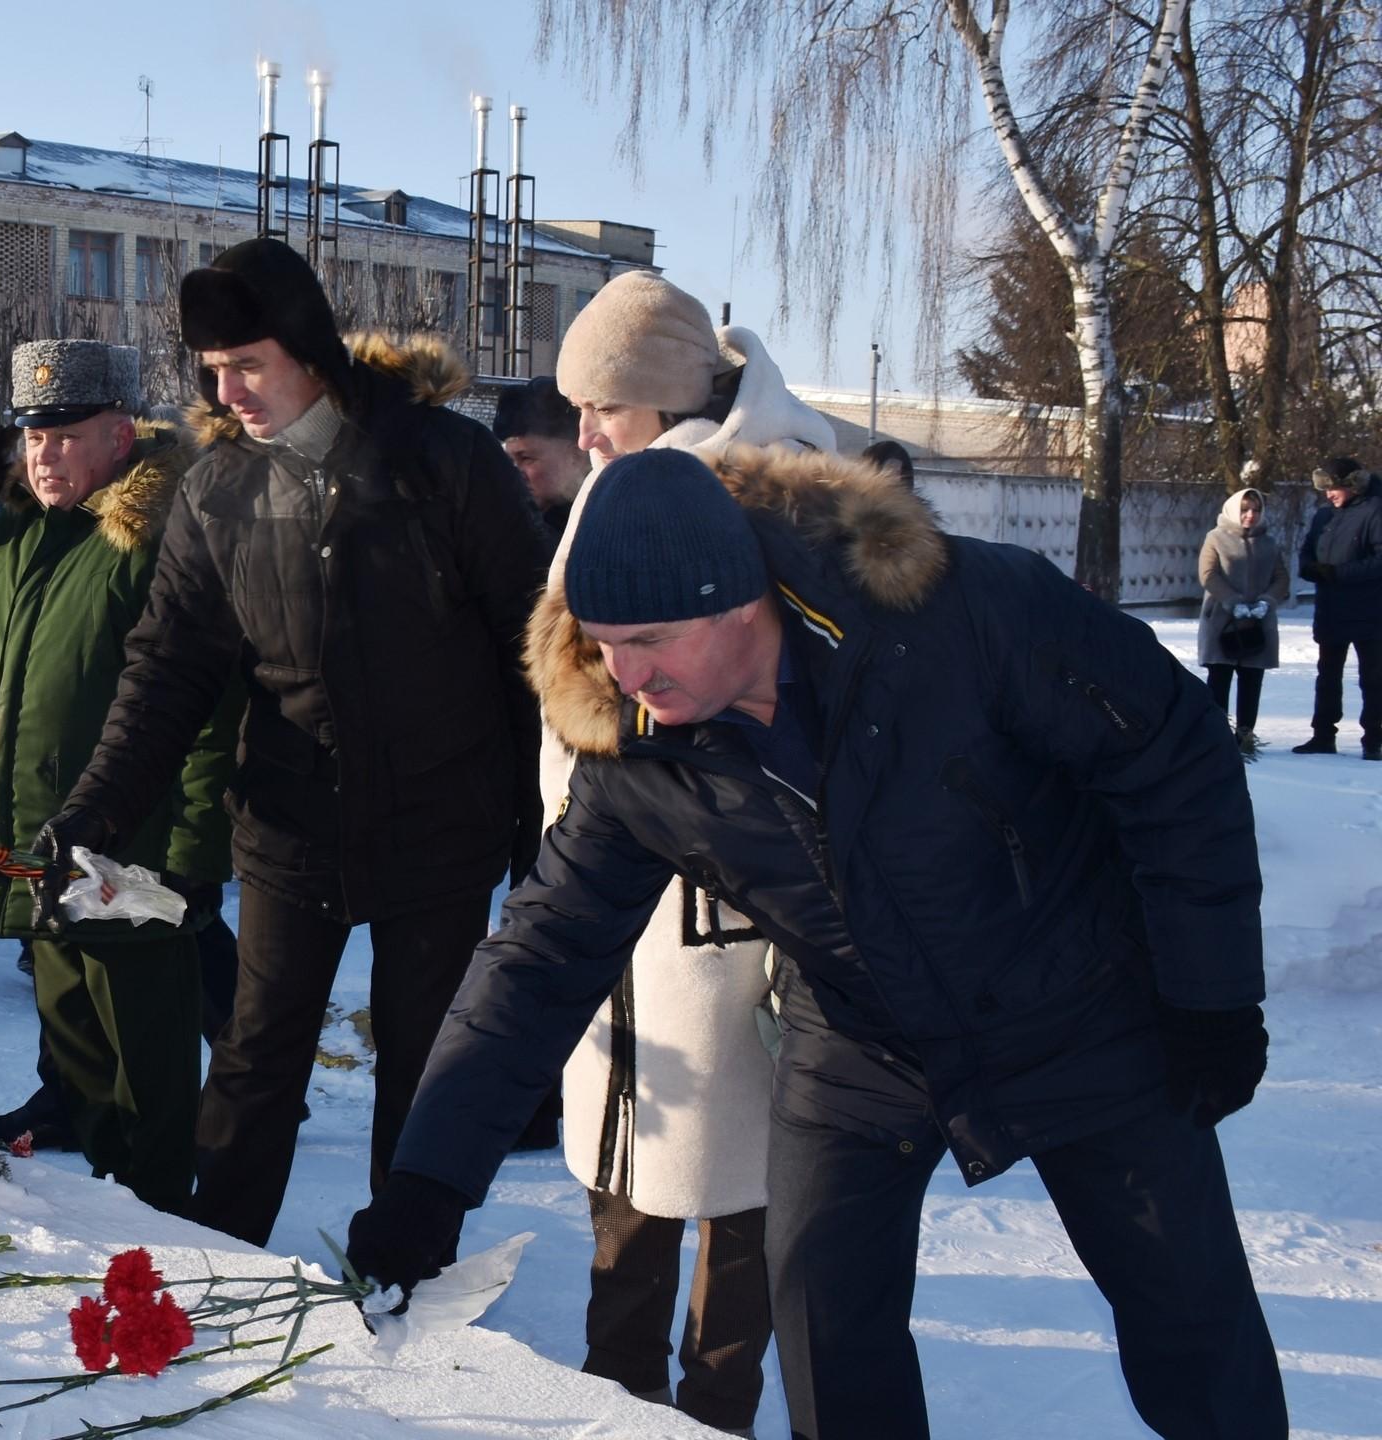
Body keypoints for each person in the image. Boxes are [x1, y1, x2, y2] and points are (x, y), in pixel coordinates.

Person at [351, 444, 1284, 1439]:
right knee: (825, 1328)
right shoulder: (635, 758)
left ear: (741, 600)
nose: (625, 674)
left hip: (1076, 1004)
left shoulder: (957, 615)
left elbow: (1172, 753)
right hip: (857, 1039)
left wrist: (1210, 992)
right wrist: (430, 1180)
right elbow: (538, 956)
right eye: (604, 641)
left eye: (652, 639)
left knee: (1190, 1327)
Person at [37, 238, 551, 1247]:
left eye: (248, 365)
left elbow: (531, 644)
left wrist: (538, 830)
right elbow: (167, 671)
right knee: (254, 1054)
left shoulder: (440, 461)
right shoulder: (217, 490)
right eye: (214, 371)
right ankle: (223, 1262)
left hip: (440, 823)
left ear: (308, 349)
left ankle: (403, 1269)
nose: (228, 392)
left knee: (422, 1063)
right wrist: (93, 807)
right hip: (287, 821)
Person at [529, 269, 837, 1431]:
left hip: (729, 907)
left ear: (658, 395)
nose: (583, 431)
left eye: (600, 404)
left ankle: (711, 1413)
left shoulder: (759, 488)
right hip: (616, 897)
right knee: (630, 1165)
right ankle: (621, 1404)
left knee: (740, 1187)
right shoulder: (619, 485)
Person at [0, 340, 237, 1212]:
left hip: (133, 847)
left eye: (65, 436)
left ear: (121, 436)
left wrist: (196, 848)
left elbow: (207, 710)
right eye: (31, 437)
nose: (42, 455)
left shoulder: (154, 539)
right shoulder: (23, 533)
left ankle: (165, 1230)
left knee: (148, 1071)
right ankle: (116, 1211)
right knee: (81, 1055)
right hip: (35, 838)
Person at [1296, 455, 1381, 759]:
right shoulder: (1323, 516)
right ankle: (1323, 734)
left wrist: (1338, 573)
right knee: (1327, 675)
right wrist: (1310, 569)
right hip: (1331, 610)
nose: (1329, 494)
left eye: (1334, 488)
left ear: (1352, 486)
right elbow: (1306, 551)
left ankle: (1374, 738)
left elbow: (1379, 561)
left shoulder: (1375, 511)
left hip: (1369, 612)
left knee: (1373, 678)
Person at [1197, 486, 1287, 752]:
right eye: (1245, 510)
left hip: (1258, 622)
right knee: (1219, 677)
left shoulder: (1269, 543)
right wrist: (1232, 601)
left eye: (1256, 510)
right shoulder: (1216, 538)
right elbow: (1208, 574)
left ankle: (1246, 735)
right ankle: (1217, 735)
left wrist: (1267, 602)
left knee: (1251, 679)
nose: (1250, 515)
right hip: (1222, 621)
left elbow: (1281, 577)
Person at [492, 376, 590, 540]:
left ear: (575, 457)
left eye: (526, 458)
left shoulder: (604, 524)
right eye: (509, 462)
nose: (513, 474)